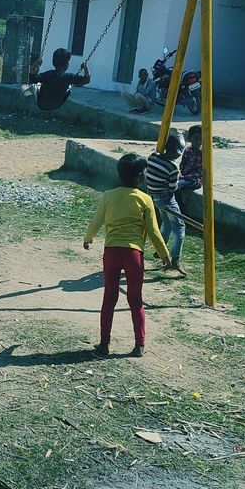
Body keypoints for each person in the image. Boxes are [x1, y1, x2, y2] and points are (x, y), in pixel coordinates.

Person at [84, 152, 171, 357]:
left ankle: (104, 345)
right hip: (134, 255)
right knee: (135, 300)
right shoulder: (145, 199)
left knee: (109, 299)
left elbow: (96, 220)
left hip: (111, 253)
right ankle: (139, 345)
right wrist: (165, 255)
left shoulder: (108, 196)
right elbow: (154, 231)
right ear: (141, 176)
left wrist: (88, 238)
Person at [146, 130, 187, 275]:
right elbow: (172, 188)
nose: (181, 153)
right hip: (166, 199)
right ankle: (176, 260)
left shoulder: (152, 157)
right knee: (180, 227)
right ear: (176, 151)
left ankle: (160, 251)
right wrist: (178, 181)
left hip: (153, 197)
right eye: (181, 150)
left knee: (166, 223)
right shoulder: (173, 167)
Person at [177, 124, 203, 195]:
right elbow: (182, 166)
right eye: (196, 138)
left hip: (195, 180)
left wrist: (184, 177)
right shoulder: (187, 150)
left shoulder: (204, 153)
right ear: (189, 138)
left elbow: (200, 173)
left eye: (201, 139)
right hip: (184, 177)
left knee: (177, 185)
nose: (199, 141)